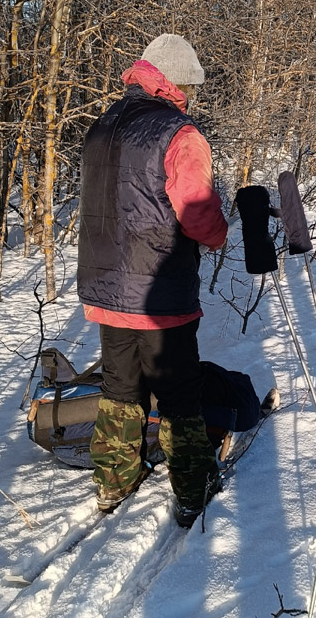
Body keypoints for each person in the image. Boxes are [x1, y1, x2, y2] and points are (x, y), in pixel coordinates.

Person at [77, 33, 228, 526]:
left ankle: (113, 480)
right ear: (179, 83)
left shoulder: (102, 125)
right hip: (159, 292)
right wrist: (218, 235)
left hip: (105, 287)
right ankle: (190, 486)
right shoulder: (180, 135)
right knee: (180, 390)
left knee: (120, 386)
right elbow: (197, 213)